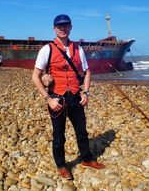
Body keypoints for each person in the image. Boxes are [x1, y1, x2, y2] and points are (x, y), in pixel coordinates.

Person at [32, 14, 105, 180]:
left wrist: (86, 92)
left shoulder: (78, 49)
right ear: (54, 29)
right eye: (59, 26)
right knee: (59, 135)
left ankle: (87, 159)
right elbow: (35, 76)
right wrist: (48, 99)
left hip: (75, 97)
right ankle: (62, 165)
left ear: (71, 27)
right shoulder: (47, 49)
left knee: (82, 131)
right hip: (57, 98)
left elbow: (87, 72)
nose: (63, 28)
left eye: (66, 25)